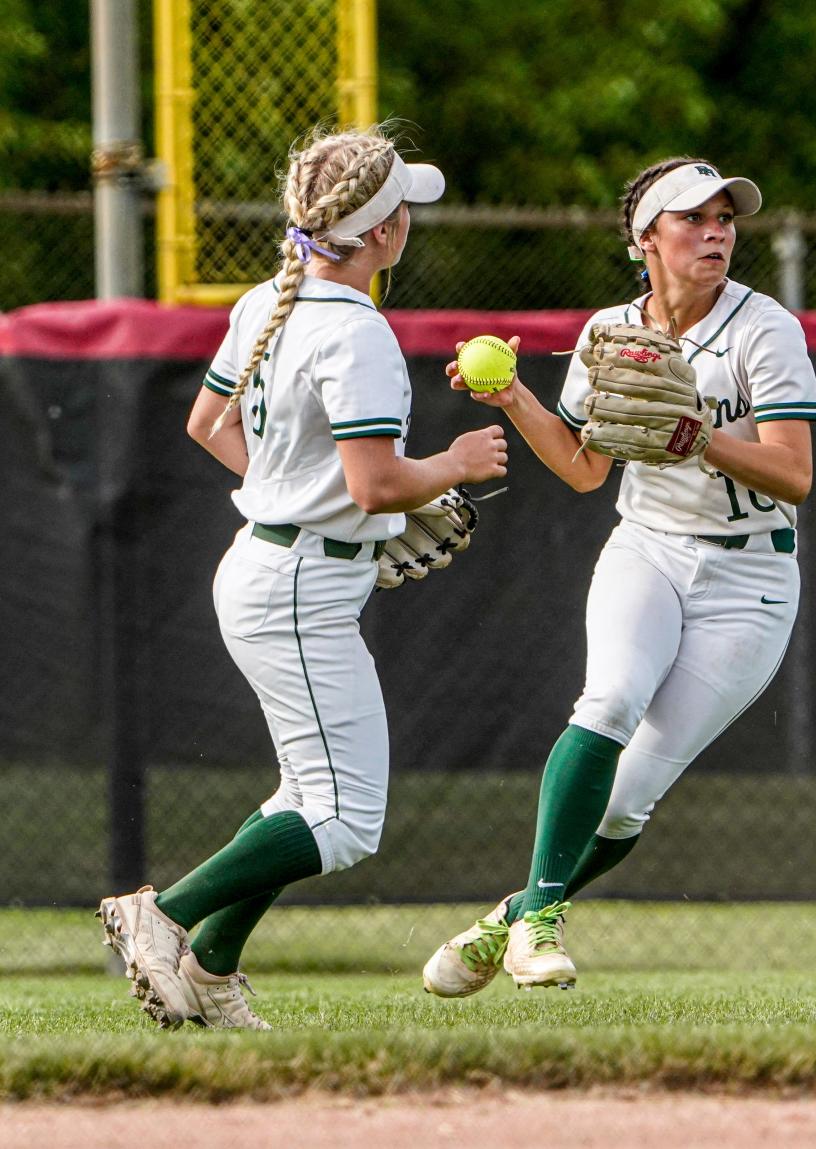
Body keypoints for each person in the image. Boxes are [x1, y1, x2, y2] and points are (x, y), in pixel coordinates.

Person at [98, 125, 508, 1029]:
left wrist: (290, 492)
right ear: (382, 234)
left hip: (272, 567)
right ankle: (160, 915)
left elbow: (209, 425)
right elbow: (375, 484)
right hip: (298, 588)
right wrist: (457, 460)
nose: (410, 219)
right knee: (348, 819)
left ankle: (209, 966)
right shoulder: (357, 334)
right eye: (404, 207)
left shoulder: (266, 302)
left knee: (302, 794)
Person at [422, 157, 816, 996]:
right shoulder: (610, 332)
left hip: (750, 579)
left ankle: (513, 916)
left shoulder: (765, 328)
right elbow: (582, 470)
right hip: (648, 547)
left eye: (725, 217)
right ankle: (540, 922)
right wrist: (512, 400)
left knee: (627, 801)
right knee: (606, 702)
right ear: (646, 239)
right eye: (693, 219)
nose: (716, 231)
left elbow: (794, 475)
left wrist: (699, 437)